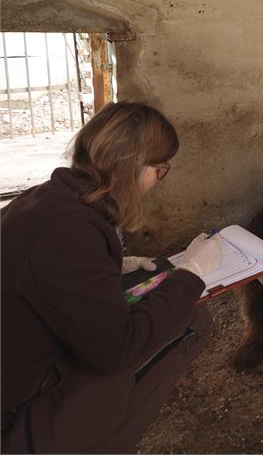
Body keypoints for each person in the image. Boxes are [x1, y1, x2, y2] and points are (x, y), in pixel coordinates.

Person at [1, 102, 222, 453]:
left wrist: (110, 265)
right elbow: (115, 349)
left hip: (18, 362)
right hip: (17, 409)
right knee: (192, 319)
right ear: (132, 168)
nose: (158, 181)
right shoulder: (72, 232)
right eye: (159, 169)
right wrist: (192, 273)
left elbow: (38, 269)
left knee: (150, 294)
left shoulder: (44, 198)